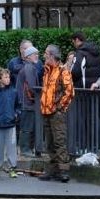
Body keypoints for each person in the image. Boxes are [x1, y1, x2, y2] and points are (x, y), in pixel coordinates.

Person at [39, 45, 74, 183]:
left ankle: (63, 171)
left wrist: (59, 107)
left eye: (46, 53)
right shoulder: (47, 71)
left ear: (52, 56)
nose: (44, 56)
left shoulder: (63, 71)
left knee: (59, 141)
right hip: (46, 111)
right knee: (50, 143)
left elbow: (69, 91)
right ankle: (53, 170)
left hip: (55, 112)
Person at [0, 68, 21, 179]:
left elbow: (18, 106)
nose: (8, 79)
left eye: (8, 76)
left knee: (11, 146)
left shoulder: (14, 91)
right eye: (5, 77)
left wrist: (16, 115)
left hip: (10, 124)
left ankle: (12, 168)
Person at [17, 45, 40, 158]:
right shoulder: (29, 68)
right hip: (28, 103)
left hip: (26, 102)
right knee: (27, 127)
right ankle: (25, 149)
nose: (37, 56)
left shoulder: (28, 67)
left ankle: (27, 149)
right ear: (28, 57)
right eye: (35, 54)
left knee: (28, 127)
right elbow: (32, 87)